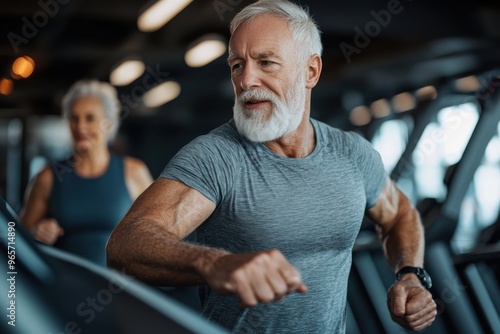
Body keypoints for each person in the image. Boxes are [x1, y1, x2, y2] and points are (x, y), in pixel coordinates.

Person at [106, 1, 437, 332]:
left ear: (311, 71)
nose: (247, 79)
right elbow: (126, 245)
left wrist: (411, 274)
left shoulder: (353, 153)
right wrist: (212, 262)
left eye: (266, 62)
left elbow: (400, 215)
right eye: (237, 65)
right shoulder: (216, 157)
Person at [20, 79, 153, 267]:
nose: (80, 127)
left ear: (108, 124)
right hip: (61, 289)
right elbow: (15, 242)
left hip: (120, 290)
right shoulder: (48, 177)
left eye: (90, 118)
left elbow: (157, 233)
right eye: (74, 118)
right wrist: (35, 233)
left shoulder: (134, 171)